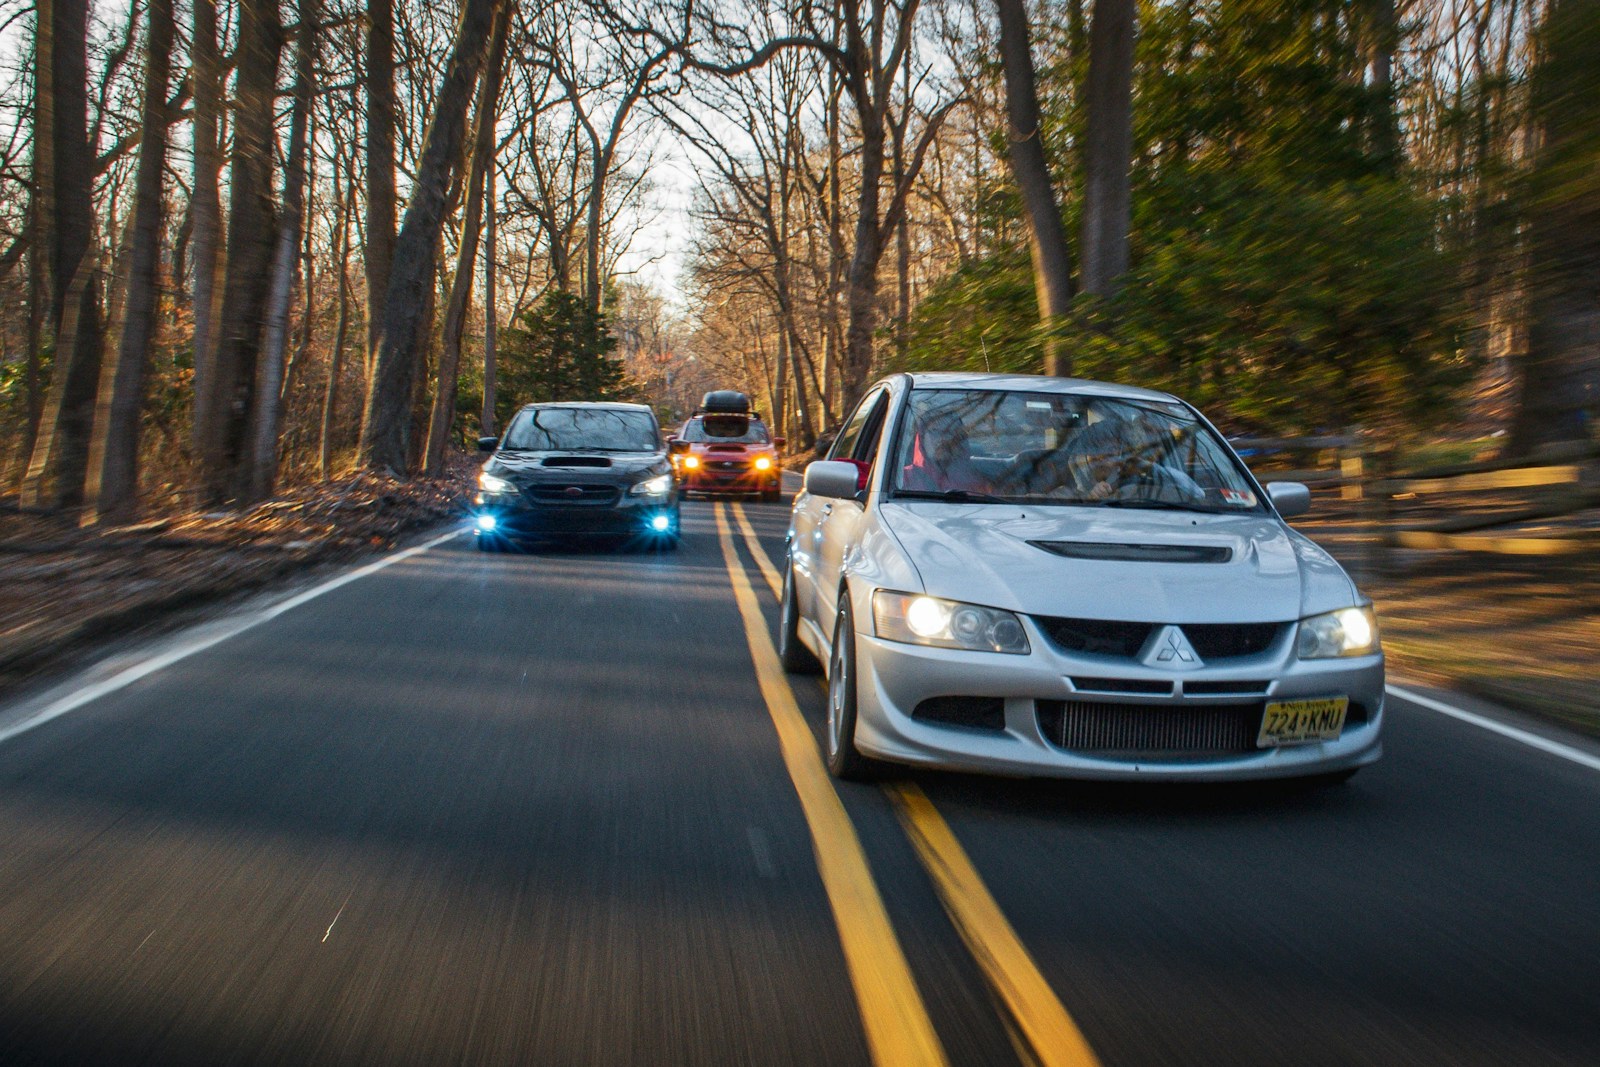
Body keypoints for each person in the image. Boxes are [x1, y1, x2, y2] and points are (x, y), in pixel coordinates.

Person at [1064, 414, 1204, 503]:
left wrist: (1150, 468)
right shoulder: (1071, 478)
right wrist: (1090, 498)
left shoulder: (1134, 474)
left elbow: (1197, 493)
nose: (1109, 457)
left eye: (1115, 450)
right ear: (1088, 454)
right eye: (1100, 452)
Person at [900, 419, 992, 494]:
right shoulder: (902, 479)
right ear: (922, 438)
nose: (942, 438)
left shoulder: (978, 482)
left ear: (960, 439)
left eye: (950, 432)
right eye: (935, 432)